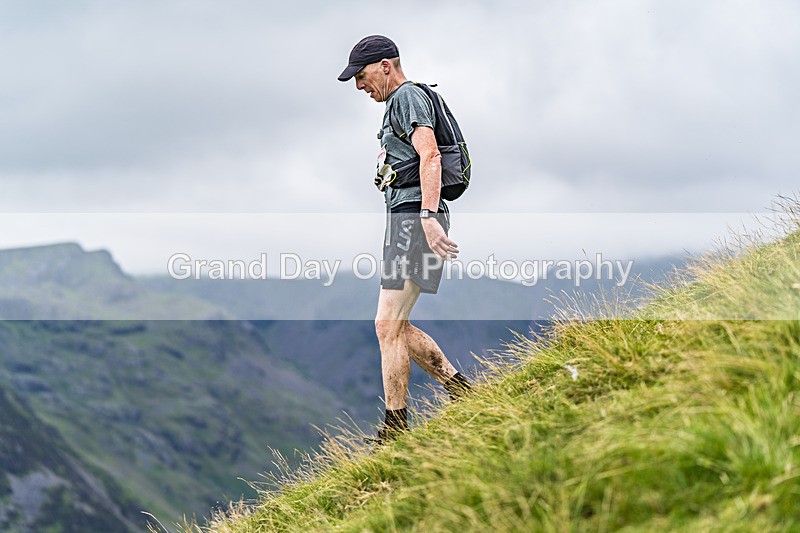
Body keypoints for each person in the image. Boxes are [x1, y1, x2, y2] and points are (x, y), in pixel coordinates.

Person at [338, 35, 472, 443]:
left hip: (416, 218)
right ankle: (461, 392)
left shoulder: (407, 97)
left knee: (386, 325)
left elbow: (429, 155)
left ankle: (395, 429)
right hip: (407, 218)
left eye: (361, 77)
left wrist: (429, 218)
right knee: (394, 324)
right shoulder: (399, 104)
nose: (360, 87)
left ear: (385, 66)